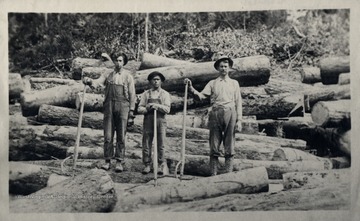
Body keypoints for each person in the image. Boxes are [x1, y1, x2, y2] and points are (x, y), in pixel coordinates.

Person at [184, 56, 242, 176]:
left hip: (230, 112)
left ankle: (228, 173)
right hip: (216, 112)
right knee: (214, 143)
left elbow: (238, 102)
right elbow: (200, 97)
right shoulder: (212, 83)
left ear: (229, 68)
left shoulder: (234, 83)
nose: (223, 69)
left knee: (229, 143)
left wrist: (239, 120)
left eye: (226, 66)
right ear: (217, 68)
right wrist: (191, 88)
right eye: (221, 66)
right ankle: (213, 173)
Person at [83, 52, 136, 172]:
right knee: (108, 135)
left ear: (124, 63)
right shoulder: (108, 74)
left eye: (121, 61)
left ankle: (119, 161)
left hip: (123, 107)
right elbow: (97, 83)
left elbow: (132, 95)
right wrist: (89, 81)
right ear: (114, 62)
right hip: (109, 107)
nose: (118, 63)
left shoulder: (128, 77)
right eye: (116, 60)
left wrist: (131, 113)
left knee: (121, 136)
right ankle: (107, 160)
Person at [137, 71, 171, 175]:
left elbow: (167, 109)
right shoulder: (146, 94)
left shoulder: (165, 94)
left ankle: (161, 164)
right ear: (151, 81)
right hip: (148, 120)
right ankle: (147, 164)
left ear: (161, 82)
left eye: (158, 80)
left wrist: (158, 106)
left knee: (161, 143)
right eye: (154, 80)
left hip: (160, 120)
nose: (156, 82)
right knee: (147, 143)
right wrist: (147, 108)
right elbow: (139, 108)